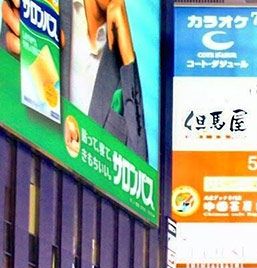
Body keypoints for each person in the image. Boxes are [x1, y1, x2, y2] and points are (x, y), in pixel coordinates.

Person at [2, 0, 150, 160]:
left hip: (83, 183)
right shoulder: (45, 9)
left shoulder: (121, 69)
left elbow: (140, 168)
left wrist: (128, 56)